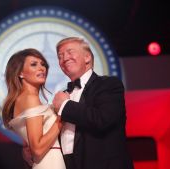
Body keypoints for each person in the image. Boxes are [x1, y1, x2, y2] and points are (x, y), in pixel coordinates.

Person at [51, 37, 134, 169]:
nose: (64, 58)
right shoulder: (63, 96)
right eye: (60, 56)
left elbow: (102, 119)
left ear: (87, 57)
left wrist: (65, 106)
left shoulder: (109, 84)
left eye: (70, 52)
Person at [2, 48, 66, 169]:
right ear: (20, 73)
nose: (42, 68)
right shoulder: (30, 99)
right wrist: (62, 116)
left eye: (43, 64)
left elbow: (31, 145)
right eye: (33, 64)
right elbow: (37, 149)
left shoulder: (24, 99)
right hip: (50, 162)